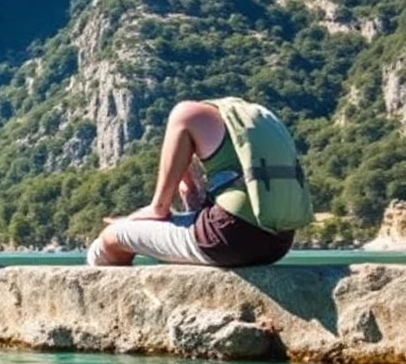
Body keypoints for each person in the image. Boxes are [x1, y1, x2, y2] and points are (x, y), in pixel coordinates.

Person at [87, 97, 313, 267]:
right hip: (279, 244)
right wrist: (191, 189)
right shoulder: (255, 125)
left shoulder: (189, 113)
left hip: (230, 239)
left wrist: (156, 208)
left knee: (111, 237)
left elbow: (160, 211)